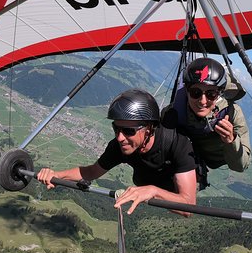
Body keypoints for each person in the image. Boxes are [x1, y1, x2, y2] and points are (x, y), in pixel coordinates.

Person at [37, 89, 197, 215]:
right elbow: (92, 171)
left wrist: (152, 190)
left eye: (128, 130)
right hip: (146, 180)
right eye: (116, 128)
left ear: (149, 128)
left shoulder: (178, 144)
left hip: (172, 187)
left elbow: (188, 208)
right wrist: (57, 175)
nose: (120, 137)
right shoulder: (119, 145)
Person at [161, 57, 251, 186]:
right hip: (185, 157)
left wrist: (231, 140)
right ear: (186, 90)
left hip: (214, 159)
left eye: (211, 94)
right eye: (195, 92)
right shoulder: (173, 112)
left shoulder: (232, 114)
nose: (203, 101)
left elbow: (241, 165)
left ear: (219, 93)